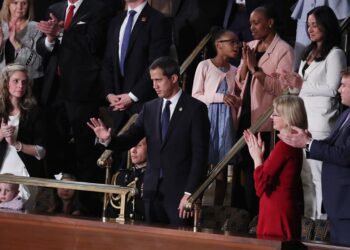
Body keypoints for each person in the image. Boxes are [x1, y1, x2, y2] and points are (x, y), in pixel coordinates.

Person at [89, 56, 210, 226]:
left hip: (180, 193)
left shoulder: (195, 109)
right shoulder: (150, 108)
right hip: (151, 191)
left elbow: (200, 155)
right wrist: (109, 140)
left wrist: (190, 192)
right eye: (152, 80)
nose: (154, 86)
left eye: (159, 80)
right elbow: (131, 138)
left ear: (174, 78)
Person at [282, 6, 347, 220]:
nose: (310, 29)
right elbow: (301, 88)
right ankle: (310, 223)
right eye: (308, 25)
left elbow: (332, 88)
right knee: (306, 178)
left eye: (315, 24)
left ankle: (322, 225)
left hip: (321, 123)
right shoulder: (307, 52)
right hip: (303, 119)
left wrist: (302, 84)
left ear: (326, 25)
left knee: (319, 178)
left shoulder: (336, 53)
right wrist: (290, 83)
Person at [36, 0, 109, 188]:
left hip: (83, 92)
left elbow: (93, 44)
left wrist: (61, 32)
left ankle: (84, 207)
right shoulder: (54, 9)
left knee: (83, 151)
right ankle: (53, 201)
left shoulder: (97, 8)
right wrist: (50, 39)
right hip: (54, 90)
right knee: (53, 147)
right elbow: (42, 48)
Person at [232, 5, 293, 218]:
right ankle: (246, 216)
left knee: (260, 172)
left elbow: (283, 89)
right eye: (250, 23)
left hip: (266, 121)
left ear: (270, 22)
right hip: (246, 114)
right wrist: (244, 67)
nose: (252, 27)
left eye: (257, 22)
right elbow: (239, 82)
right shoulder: (250, 46)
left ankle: (260, 216)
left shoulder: (284, 49)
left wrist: (255, 70)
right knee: (245, 170)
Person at [279, 70, 350, 246]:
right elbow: (333, 146)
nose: (339, 89)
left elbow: (345, 156)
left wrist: (309, 143)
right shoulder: (345, 114)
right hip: (338, 204)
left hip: (346, 206)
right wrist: (308, 139)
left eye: (344, 85)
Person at [102, 0, 172, 132]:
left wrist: (132, 96)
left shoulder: (157, 20)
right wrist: (109, 93)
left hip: (142, 103)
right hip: (116, 104)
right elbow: (108, 61)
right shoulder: (116, 21)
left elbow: (156, 64)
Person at [244, 95, 307, 240]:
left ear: (287, 118)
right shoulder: (293, 144)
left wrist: (256, 157)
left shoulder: (284, 146)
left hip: (277, 214)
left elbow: (260, 185)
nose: (271, 116)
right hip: (282, 210)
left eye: (276, 114)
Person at [192, 28, 241, 205]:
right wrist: (220, 98)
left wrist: (235, 100)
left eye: (237, 42)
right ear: (219, 45)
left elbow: (239, 96)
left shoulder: (235, 70)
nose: (236, 45)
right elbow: (196, 95)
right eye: (232, 42)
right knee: (202, 164)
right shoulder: (204, 66)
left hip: (226, 122)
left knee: (222, 168)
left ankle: (217, 210)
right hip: (208, 120)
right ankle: (196, 205)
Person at [0, 64, 46, 203]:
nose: (20, 85)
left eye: (24, 82)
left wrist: (16, 144)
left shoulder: (35, 112)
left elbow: (41, 151)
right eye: (16, 81)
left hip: (26, 172)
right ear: (6, 83)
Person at [0, 0, 44, 101]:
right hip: (3, 86)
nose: (19, 7)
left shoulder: (37, 28)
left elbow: (38, 64)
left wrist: (16, 44)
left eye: (24, 3)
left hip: (28, 86)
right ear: (8, 5)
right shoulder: (1, 26)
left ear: (29, 6)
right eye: (15, 3)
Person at [291, 0, 350, 70]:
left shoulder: (336, 54)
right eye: (308, 25)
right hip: (308, 5)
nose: (309, 30)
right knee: (300, 57)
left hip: (335, 8)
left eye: (314, 25)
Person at [111, 137, 147, 220]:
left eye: (139, 145)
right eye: (131, 146)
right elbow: (112, 212)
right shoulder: (120, 176)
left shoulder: (156, 179)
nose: (133, 150)